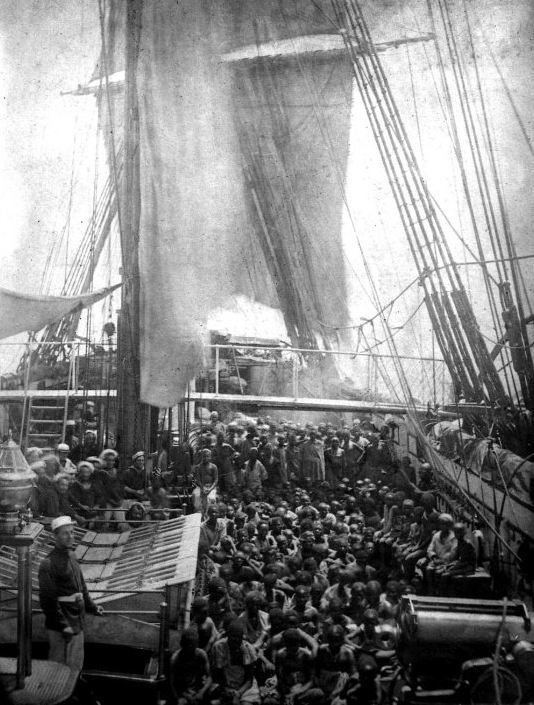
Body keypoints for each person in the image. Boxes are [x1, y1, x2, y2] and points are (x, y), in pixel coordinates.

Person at [38, 516, 104, 671]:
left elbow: (81, 588)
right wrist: (64, 625)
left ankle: (71, 693)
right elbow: (47, 601)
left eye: (72, 532)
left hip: (77, 619)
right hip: (61, 624)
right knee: (57, 665)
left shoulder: (72, 556)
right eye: (65, 533)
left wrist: (93, 607)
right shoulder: (48, 564)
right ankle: (53, 694)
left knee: (75, 664)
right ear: (55, 536)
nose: (70, 537)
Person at [170, 627, 213, 705]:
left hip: (198, 690)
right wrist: (180, 697)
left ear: (196, 643)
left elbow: (209, 677)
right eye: (187, 644)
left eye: (192, 644)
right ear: (182, 644)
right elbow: (173, 683)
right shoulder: (176, 659)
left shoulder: (201, 655)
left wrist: (202, 692)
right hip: (183, 692)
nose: (190, 647)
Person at [192, 448, 219, 514]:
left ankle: (210, 512)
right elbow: (198, 479)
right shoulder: (198, 467)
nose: (206, 458)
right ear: (202, 457)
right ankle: (199, 512)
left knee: (211, 497)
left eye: (208, 456)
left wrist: (210, 489)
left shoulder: (213, 467)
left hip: (211, 487)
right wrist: (202, 488)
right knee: (196, 494)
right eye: (204, 456)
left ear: (210, 457)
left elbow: (216, 480)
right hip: (201, 487)